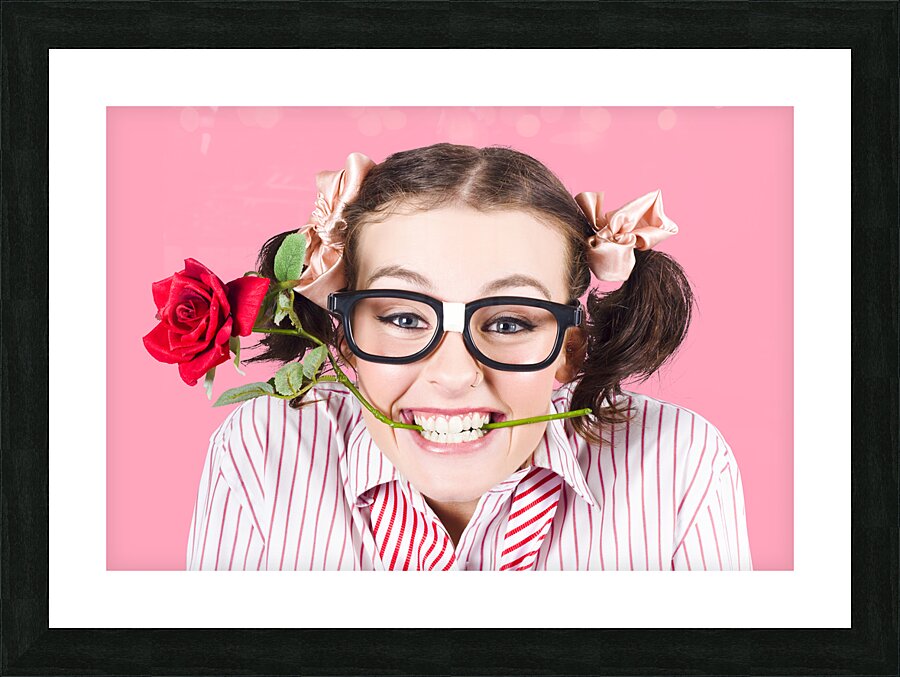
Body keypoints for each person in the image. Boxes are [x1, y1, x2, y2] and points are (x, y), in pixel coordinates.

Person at [186, 143, 753, 571]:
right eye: (404, 319)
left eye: (509, 323)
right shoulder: (263, 453)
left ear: (570, 351)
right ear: (343, 339)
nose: (455, 375)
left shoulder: (680, 465)